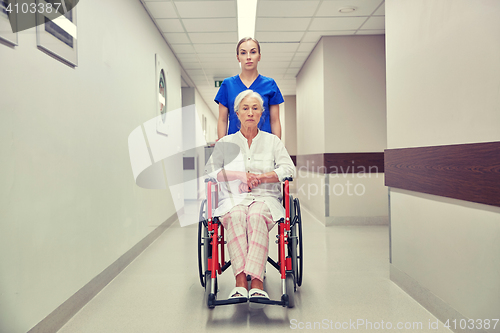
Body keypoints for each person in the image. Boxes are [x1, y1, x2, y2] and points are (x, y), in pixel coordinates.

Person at [205, 90, 295, 305]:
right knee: (237, 216)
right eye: (245, 108)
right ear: (237, 113)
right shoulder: (225, 142)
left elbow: (288, 169)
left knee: (255, 216)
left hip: (265, 198)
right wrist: (240, 175)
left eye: (255, 108)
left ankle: (257, 284)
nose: (250, 113)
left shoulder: (273, 142)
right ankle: (239, 283)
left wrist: (262, 177)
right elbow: (211, 172)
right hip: (233, 200)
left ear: (262, 113)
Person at [215, 37, 284, 140]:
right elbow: (222, 120)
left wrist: (276, 148)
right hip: (235, 147)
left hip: (264, 146)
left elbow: (275, 121)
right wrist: (223, 148)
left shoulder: (270, 84)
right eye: (243, 53)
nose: (248, 57)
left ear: (259, 56)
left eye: (253, 52)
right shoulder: (227, 85)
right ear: (238, 58)